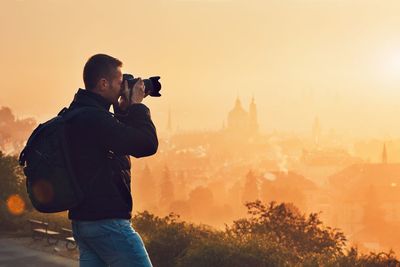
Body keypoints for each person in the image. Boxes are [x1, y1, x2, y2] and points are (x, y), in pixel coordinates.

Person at [66, 54, 158, 267]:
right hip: (107, 222)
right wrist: (136, 105)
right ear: (103, 83)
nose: (121, 87)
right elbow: (146, 144)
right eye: (119, 82)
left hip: (83, 222)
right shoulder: (95, 119)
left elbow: (117, 139)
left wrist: (121, 110)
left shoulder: (78, 113)